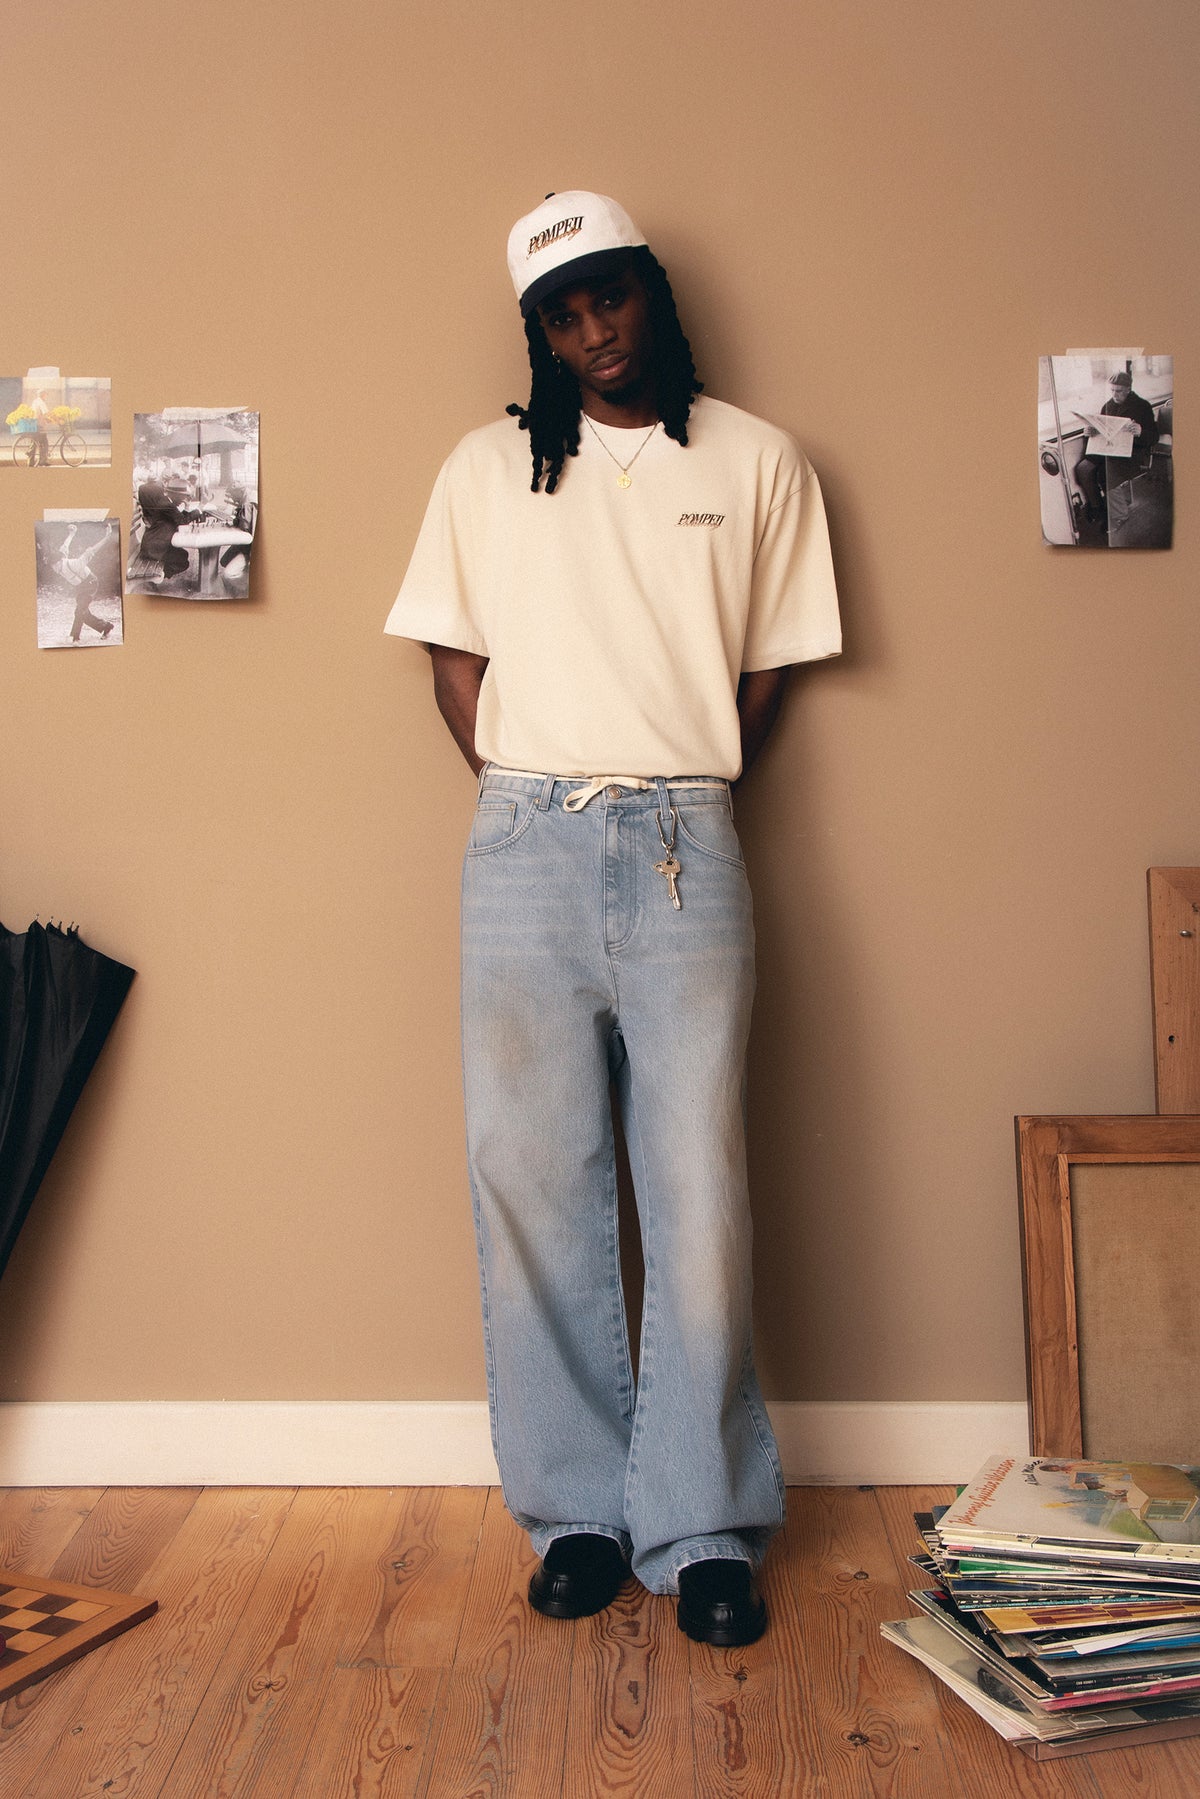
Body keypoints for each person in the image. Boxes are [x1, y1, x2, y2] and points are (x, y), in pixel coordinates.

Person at [385, 192, 841, 1646]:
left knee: (699, 1184)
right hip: (524, 838)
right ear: (540, 334)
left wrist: (677, 777)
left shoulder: (758, 461)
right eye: (562, 315)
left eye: (612, 298)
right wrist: (527, 788)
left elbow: (768, 668)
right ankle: (576, 1513)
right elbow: (451, 655)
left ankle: (702, 1524)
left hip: (686, 837)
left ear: (653, 293)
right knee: (531, 1178)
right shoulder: (485, 466)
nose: (594, 332)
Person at [1074, 369, 1160, 525]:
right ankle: (1098, 508)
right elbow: (1103, 432)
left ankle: (1120, 516)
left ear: (1128, 389)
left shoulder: (1142, 406)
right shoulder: (1108, 406)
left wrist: (1140, 431)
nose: (1114, 395)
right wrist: (1091, 433)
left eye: (1119, 391)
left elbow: (1154, 437)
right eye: (1112, 390)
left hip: (1131, 452)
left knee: (1105, 472)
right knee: (1083, 468)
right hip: (1108, 449)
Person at [55, 525, 115, 642]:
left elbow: (91, 551)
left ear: (59, 562)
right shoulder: (60, 559)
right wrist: (71, 534)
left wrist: (106, 538)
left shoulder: (74, 564)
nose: (54, 568)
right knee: (83, 613)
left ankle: (75, 638)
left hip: (90, 583)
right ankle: (106, 626)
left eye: (54, 565)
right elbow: (65, 545)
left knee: (79, 611)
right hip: (80, 586)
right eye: (52, 566)